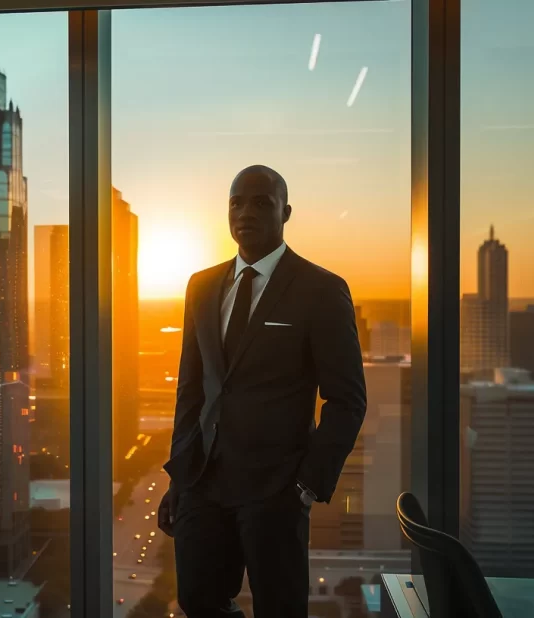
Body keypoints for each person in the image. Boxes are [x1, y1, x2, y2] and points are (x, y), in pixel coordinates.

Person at [157, 165, 367, 617]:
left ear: (285, 212)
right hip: (202, 482)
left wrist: (308, 484)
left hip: (276, 488)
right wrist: (179, 475)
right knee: (197, 601)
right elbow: (191, 390)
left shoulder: (321, 290)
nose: (244, 211)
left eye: (260, 202)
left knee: (280, 610)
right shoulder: (201, 285)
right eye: (236, 202)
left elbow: (347, 399)